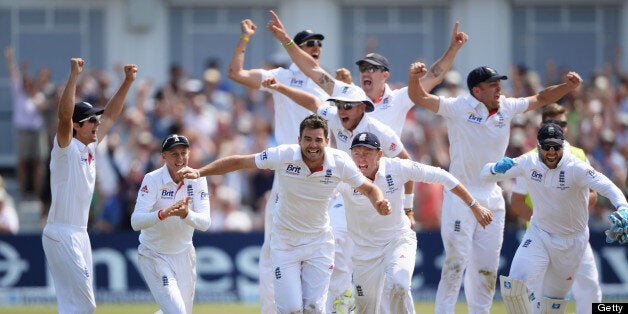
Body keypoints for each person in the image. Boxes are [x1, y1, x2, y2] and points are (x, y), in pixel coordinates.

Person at [407, 61, 583, 313]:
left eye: (499, 84)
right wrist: (414, 77)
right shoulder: (458, 106)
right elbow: (418, 96)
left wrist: (568, 86)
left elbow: (541, 97)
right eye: (493, 85)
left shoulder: (507, 107)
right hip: (460, 193)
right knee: (456, 262)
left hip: (492, 196)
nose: (499, 89)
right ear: (476, 91)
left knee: (487, 268)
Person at [179, 114, 392, 313]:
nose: (313, 145)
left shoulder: (340, 162)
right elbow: (239, 162)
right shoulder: (283, 155)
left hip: (319, 244)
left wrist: (379, 201)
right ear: (299, 139)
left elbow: (370, 188)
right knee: (291, 309)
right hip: (285, 243)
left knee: (314, 309)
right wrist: (199, 172)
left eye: (318, 140)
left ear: (327, 140)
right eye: (308, 139)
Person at [261, 76, 408, 314]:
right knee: (334, 241)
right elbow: (310, 100)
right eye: (339, 105)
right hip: (338, 191)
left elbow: (405, 164)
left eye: (347, 106)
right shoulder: (331, 117)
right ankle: (340, 302)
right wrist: (280, 87)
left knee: (374, 260)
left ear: (362, 107)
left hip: (367, 194)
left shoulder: (379, 131)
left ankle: (350, 300)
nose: (341, 110)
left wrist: (407, 207)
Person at [227, 18, 329, 313]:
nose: (316, 48)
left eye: (319, 44)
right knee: (273, 250)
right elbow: (236, 73)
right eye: (310, 43)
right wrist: (245, 39)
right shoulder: (282, 75)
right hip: (289, 170)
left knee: (328, 249)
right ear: (296, 48)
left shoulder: (326, 81)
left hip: (324, 174)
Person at [338, 131, 493, 313]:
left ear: (379, 154)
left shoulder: (396, 168)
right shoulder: (344, 174)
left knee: (399, 285)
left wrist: (474, 205)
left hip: (396, 241)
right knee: (366, 308)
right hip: (363, 251)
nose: (361, 158)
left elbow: (443, 176)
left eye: (367, 153)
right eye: (357, 153)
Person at [481, 123, 628, 313]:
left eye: (556, 147)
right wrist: (494, 168)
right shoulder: (528, 162)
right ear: (538, 146)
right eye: (546, 147)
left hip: (572, 242)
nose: (551, 152)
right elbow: (484, 175)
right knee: (515, 287)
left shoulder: (576, 167)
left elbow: (608, 187)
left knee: (553, 304)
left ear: (563, 146)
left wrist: (623, 208)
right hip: (539, 234)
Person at [40, 58, 136, 313]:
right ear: (76, 126)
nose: (97, 123)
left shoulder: (90, 147)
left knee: (73, 305)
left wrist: (127, 82)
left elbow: (113, 114)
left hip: (79, 233)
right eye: (91, 120)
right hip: (61, 232)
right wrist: (74, 75)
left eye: (96, 119)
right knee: (85, 305)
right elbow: (63, 116)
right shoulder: (65, 149)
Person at [510, 103, 601, 314]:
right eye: (553, 123)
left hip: (575, 236)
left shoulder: (578, 155)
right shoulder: (531, 158)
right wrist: (546, 221)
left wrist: (567, 212)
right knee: (538, 294)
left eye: (562, 123)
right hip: (542, 237)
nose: (559, 127)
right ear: (542, 126)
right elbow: (516, 202)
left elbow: (594, 195)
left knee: (590, 287)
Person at [130, 134, 211, 314]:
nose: (180, 159)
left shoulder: (198, 179)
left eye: (183, 153)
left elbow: (205, 223)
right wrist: (162, 214)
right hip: (155, 254)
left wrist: (186, 214)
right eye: (174, 154)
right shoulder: (152, 179)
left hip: (184, 254)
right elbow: (136, 221)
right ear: (163, 156)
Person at [4, 47, 48, 201]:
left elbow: (45, 108)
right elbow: (14, 75)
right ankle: (22, 193)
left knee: (38, 163)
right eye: (26, 84)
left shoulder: (39, 96)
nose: (28, 86)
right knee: (22, 162)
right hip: (23, 131)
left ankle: (37, 194)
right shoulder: (19, 95)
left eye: (30, 84)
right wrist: (10, 59)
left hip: (37, 132)